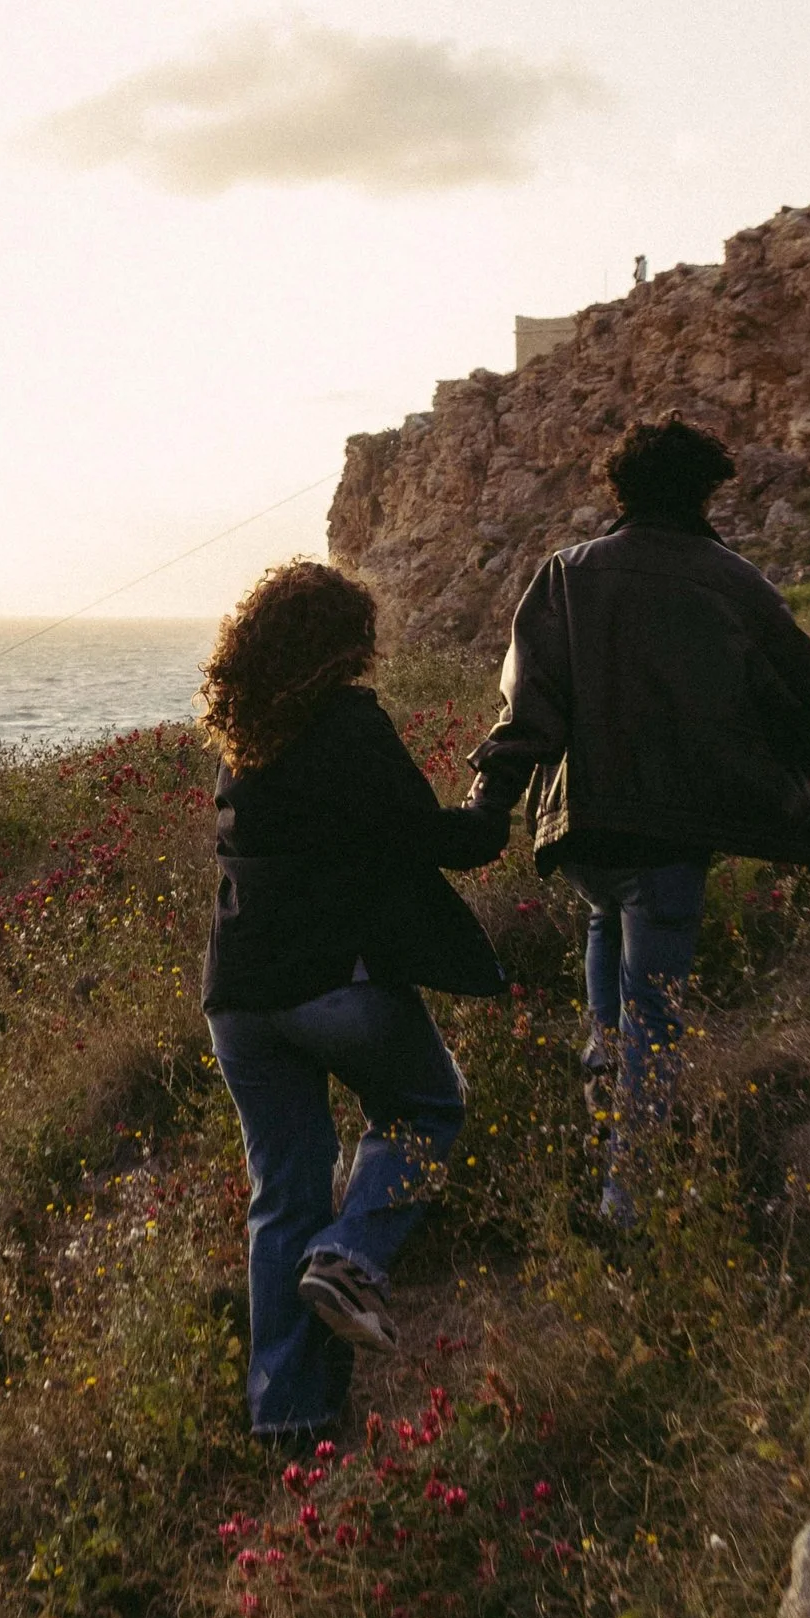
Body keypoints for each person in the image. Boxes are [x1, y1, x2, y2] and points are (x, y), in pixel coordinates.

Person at [476, 417, 810, 1227]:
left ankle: (602, 1144)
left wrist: (488, 807)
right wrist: (785, 772)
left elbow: (528, 708)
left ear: (619, 486)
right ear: (704, 486)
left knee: (608, 975)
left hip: (583, 836)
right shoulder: (734, 583)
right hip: (671, 838)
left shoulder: (567, 574)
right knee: (654, 1013)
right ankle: (628, 1204)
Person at [200, 559, 513, 1445]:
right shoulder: (347, 723)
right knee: (425, 1104)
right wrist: (494, 792)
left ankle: (290, 1417)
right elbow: (438, 843)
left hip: (237, 1002)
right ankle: (352, 1259)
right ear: (344, 644)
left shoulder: (241, 746)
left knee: (283, 1194)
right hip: (335, 982)